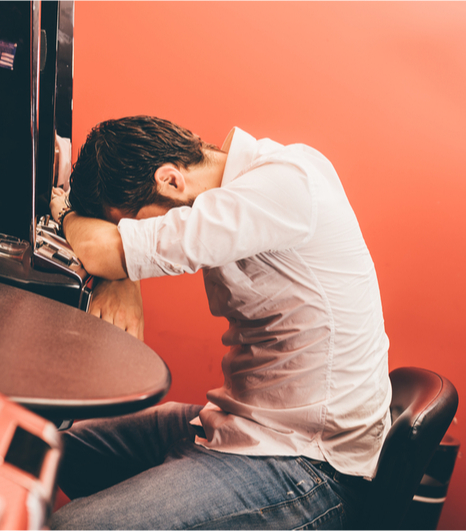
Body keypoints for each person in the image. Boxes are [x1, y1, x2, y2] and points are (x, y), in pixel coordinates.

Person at [48, 116, 391, 530]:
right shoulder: (240, 185)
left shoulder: (283, 185)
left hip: (307, 467)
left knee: (71, 527)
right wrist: (123, 273)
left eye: (133, 223)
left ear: (171, 181)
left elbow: (101, 251)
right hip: (242, 425)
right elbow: (109, 253)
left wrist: (87, 233)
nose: (142, 233)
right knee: (44, 448)